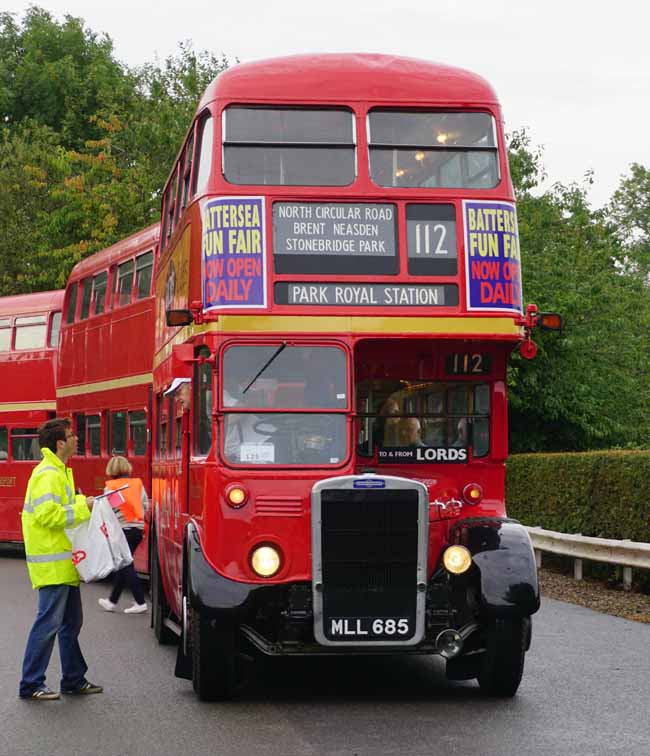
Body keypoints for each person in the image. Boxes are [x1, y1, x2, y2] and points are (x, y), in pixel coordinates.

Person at [19, 418, 103, 701]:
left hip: (64, 563)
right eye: (72, 435)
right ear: (60, 443)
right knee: (48, 625)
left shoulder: (60, 472)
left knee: (70, 624)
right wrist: (84, 508)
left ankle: (73, 679)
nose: (77, 439)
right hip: (52, 564)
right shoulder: (48, 475)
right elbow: (48, 516)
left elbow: (61, 509)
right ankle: (31, 684)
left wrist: (81, 503)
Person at [98, 456, 149, 614]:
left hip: (122, 531)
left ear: (111, 470)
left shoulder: (111, 487)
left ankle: (140, 602)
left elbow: (110, 511)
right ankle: (112, 601)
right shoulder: (138, 484)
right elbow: (145, 506)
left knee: (126, 564)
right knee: (123, 564)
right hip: (138, 530)